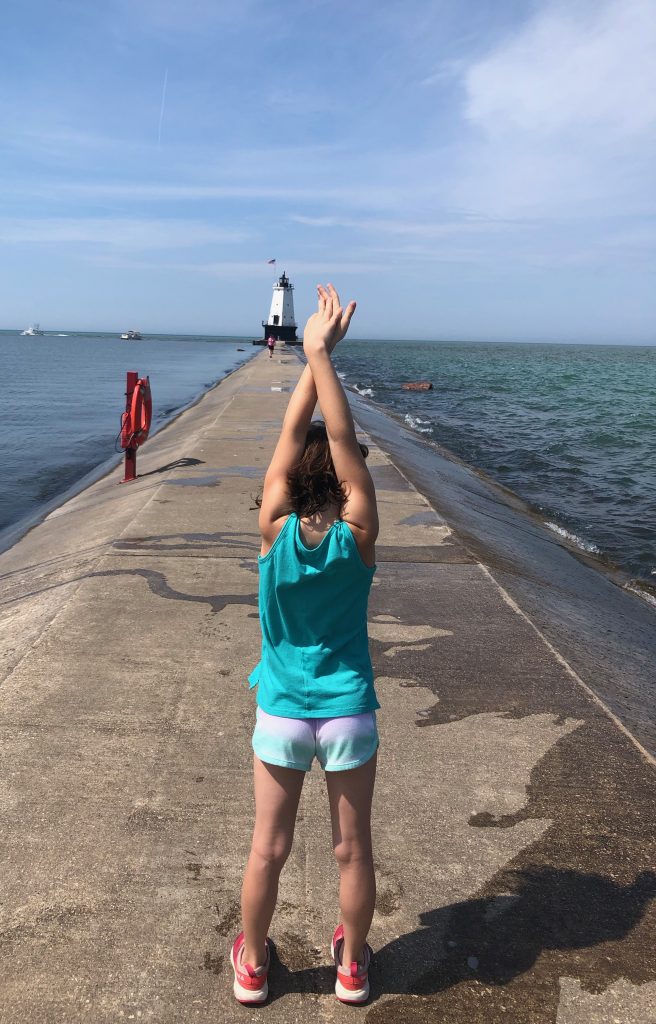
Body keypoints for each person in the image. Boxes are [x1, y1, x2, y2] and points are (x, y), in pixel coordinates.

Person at [231, 284, 380, 1006]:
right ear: (348, 489)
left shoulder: (271, 530)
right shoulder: (359, 538)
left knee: (269, 847)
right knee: (351, 848)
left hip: (284, 709)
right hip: (349, 707)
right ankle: (352, 966)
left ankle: (253, 963)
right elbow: (343, 441)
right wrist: (324, 359)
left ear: (289, 486)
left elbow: (296, 444)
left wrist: (310, 355)